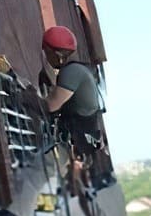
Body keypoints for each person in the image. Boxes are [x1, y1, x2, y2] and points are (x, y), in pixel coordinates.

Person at [39, 26, 110, 192]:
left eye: (46, 52)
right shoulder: (78, 69)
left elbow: (50, 105)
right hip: (81, 138)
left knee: (39, 172)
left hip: (76, 141)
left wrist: (27, 96)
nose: (45, 56)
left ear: (56, 53)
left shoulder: (71, 72)